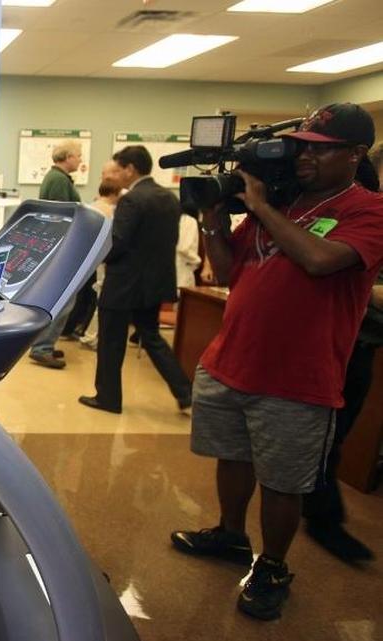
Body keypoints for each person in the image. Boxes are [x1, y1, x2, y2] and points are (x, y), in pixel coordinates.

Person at [170, 103, 383, 621]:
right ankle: (231, 534)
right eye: (303, 146)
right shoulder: (283, 203)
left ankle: (272, 565)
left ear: (355, 155)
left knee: (283, 481)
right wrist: (214, 219)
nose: (306, 157)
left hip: (299, 377)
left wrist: (261, 207)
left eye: (321, 150)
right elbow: (227, 273)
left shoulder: (368, 210)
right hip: (231, 360)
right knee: (232, 457)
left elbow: (320, 260)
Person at [300, 140, 383, 563]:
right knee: (324, 437)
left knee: (331, 436)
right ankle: (322, 516)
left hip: (359, 343)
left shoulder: (368, 211)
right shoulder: (350, 205)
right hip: (343, 343)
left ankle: (319, 511)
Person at [79, 145, 192, 414]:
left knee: (111, 342)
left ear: (130, 169)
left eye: (119, 170)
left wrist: (94, 255)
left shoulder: (131, 200)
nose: (115, 176)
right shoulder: (168, 198)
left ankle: (108, 397)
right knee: (151, 337)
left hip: (124, 283)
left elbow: (117, 243)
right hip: (154, 283)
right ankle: (185, 391)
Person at [28, 141, 83, 369]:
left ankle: (43, 344)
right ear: (67, 157)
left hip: (55, 245)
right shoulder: (59, 180)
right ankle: (42, 347)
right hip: (62, 247)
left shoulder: (56, 178)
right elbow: (64, 217)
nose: (80, 160)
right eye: (78, 155)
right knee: (64, 299)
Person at [78, 173, 122, 351]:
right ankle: (91, 336)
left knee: (88, 298)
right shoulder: (110, 212)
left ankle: (87, 333)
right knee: (100, 299)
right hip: (102, 260)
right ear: (115, 193)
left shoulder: (89, 207)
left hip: (86, 257)